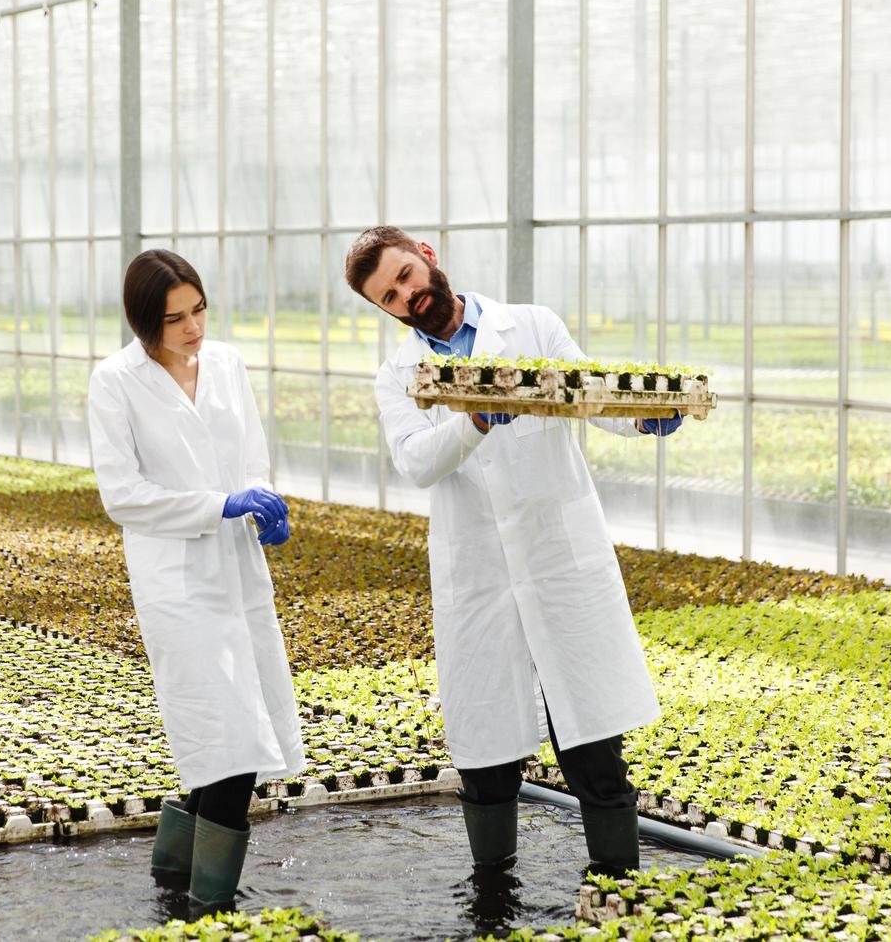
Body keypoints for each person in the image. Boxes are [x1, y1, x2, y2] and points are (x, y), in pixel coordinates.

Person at [343, 226, 681, 876]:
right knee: (486, 753)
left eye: (406, 276)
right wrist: (472, 418)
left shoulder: (530, 326)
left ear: (429, 259)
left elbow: (588, 397)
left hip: (557, 560)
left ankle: (618, 887)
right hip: (479, 575)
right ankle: (492, 898)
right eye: (389, 295)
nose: (407, 295)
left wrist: (643, 417)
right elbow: (416, 461)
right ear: (382, 308)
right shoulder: (399, 376)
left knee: (591, 744)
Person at [87, 249, 305, 908]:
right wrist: (219, 505)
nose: (193, 328)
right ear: (143, 322)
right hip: (177, 582)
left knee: (228, 737)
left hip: (238, 569)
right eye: (175, 318)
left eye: (199, 309)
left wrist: (262, 502)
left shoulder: (228, 365)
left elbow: (251, 457)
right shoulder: (114, 381)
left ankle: (173, 883)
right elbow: (122, 495)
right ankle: (214, 908)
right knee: (229, 743)